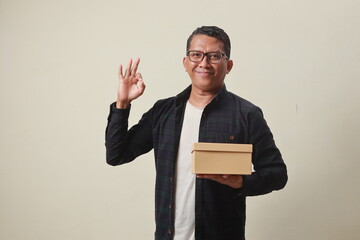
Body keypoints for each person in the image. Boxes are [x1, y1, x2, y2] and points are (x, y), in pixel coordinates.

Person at [105, 26, 287, 240]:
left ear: (228, 66)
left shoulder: (246, 114)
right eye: (196, 55)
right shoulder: (163, 112)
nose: (204, 63)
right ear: (185, 63)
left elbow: (277, 174)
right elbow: (116, 155)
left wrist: (241, 182)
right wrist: (122, 104)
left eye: (215, 56)